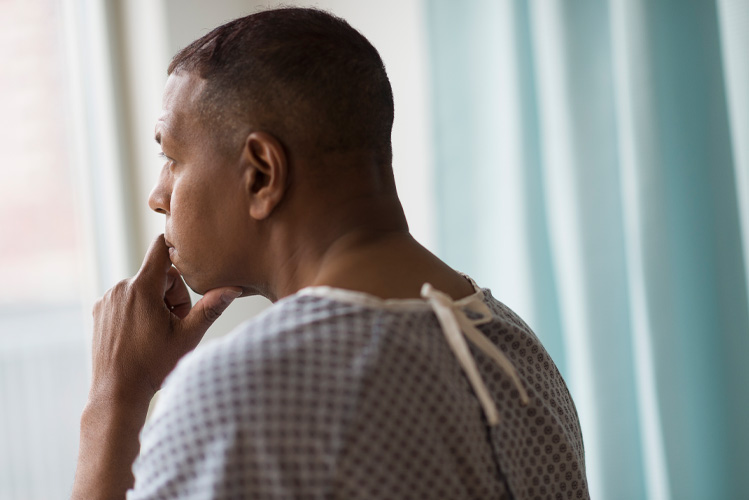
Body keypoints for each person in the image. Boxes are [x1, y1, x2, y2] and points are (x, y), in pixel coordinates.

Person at [71, 7, 588, 500]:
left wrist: (114, 397)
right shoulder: (519, 353)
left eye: (170, 156)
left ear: (261, 174)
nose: (157, 196)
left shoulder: (241, 397)